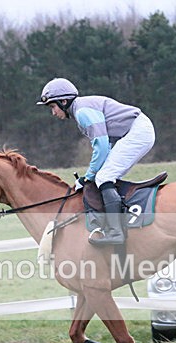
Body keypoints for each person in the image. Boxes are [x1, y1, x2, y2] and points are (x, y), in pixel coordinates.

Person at [37, 77, 155, 246]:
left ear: (63, 101)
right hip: (136, 130)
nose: (53, 113)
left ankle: (116, 233)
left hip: (138, 132)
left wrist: (88, 176)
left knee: (103, 177)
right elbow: (105, 145)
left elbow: (102, 147)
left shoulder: (82, 112)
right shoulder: (81, 109)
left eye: (52, 107)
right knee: (105, 176)